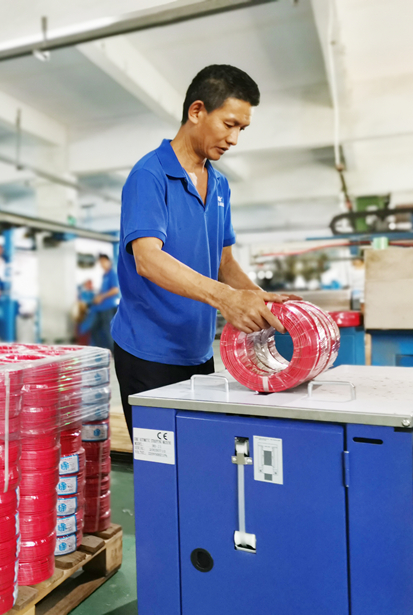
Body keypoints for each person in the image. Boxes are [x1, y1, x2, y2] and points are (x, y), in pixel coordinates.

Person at [111, 65, 297, 441]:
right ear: (197, 112)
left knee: (197, 458)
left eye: (242, 129)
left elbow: (224, 261)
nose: (235, 139)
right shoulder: (149, 175)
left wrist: (259, 298)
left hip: (197, 350)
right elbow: (147, 259)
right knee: (162, 466)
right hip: (149, 351)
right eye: (229, 124)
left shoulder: (221, 183)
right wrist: (227, 299)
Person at [91, 254, 119, 351]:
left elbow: (115, 290)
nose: (101, 264)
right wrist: (97, 297)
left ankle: (113, 352)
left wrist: (102, 297)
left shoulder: (112, 274)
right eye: (100, 262)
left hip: (108, 307)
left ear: (109, 262)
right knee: (95, 329)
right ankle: (101, 351)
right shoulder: (104, 275)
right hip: (101, 307)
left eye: (103, 261)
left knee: (108, 330)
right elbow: (103, 290)